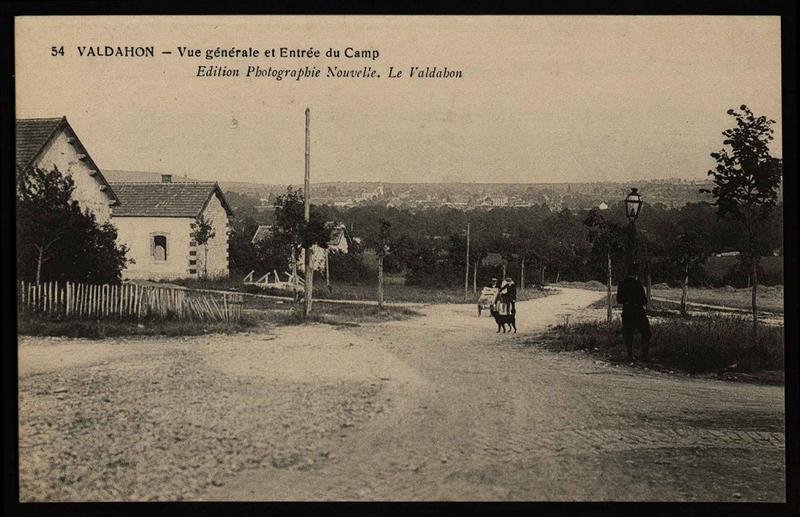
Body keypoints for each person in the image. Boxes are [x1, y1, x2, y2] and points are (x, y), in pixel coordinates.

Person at [616, 264, 651, 361]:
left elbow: (619, 300)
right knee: (646, 332)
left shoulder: (622, 284)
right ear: (636, 274)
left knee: (628, 333)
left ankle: (630, 354)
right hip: (638, 311)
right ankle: (645, 354)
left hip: (627, 311)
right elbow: (644, 301)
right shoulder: (638, 284)